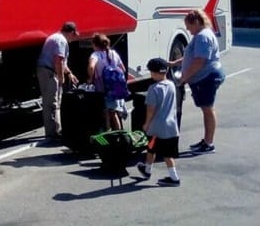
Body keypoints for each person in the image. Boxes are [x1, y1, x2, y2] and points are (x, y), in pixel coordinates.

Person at [170, 9, 225, 155]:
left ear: (196, 22)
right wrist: (174, 63)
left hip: (206, 77)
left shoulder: (202, 37)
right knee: (206, 109)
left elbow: (199, 61)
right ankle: (207, 141)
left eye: (188, 26)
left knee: (208, 110)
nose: (187, 29)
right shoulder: (201, 35)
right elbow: (191, 57)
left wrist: (184, 78)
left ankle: (209, 143)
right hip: (205, 76)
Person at [137, 57, 181, 186]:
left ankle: (174, 178)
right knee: (158, 151)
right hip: (171, 126)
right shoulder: (171, 84)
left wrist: (146, 123)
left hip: (157, 127)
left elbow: (151, 108)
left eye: (151, 72)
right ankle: (148, 169)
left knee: (155, 149)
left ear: (155, 73)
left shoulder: (153, 88)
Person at [36, 21, 80, 140]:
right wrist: (61, 78)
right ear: (70, 32)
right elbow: (58, 60)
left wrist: (69, 73)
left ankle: (55, 129)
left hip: (45, 70)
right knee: (51, 103)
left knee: (52, 102)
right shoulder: (61, 40)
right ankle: (52, 132)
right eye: (73, 34)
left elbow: (62, 61)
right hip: (49, 72)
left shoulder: (55, 37)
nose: (73, 37)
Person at [87, 33, 127, 131]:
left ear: (95, 45)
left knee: (106, 113)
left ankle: (108, 133)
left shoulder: (95, 55)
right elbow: (123, 69)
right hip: (116, 87)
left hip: (103, 88)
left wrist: (90, 79)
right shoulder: (113, 53)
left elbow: (91, 67)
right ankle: (119, 133)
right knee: (114, 112)